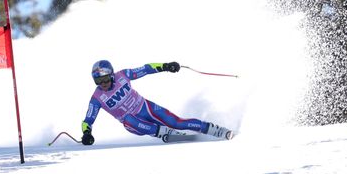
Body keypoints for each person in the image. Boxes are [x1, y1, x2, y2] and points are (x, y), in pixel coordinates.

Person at [80, 59, 234, 145]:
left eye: (105, 78)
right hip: (134, 124)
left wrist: (165, 66)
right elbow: (88, 120)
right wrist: (87, 133)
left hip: (146, 107)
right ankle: (163, 132)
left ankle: (215, 130)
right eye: (98, 81)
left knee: (177, 122)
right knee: (127, 119)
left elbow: (146, 69)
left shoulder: (123, 75)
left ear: (112, 75)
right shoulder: (97, 98)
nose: (103, 83)